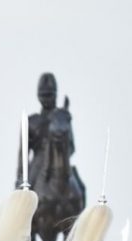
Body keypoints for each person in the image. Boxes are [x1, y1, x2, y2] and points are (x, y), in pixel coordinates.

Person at [17, 72, 85, 200]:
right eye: (44, 95)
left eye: (49, 95)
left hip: (61, 161)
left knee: (81, 188)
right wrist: (20, 178)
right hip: (37, 163)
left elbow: (72, 146)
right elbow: (22, 155)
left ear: (55, 94)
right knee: (23, 194)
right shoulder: (31, 121)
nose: (47, 98)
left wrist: (60, 154)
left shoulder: (61, 118)